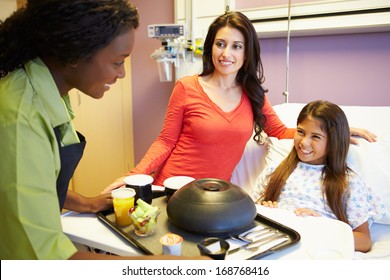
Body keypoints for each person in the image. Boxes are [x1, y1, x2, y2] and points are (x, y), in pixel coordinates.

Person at [0, 0, 208, 260]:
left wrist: (85, 202)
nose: (121, 74)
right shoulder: (21, 118)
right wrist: (170, 266)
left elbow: (39, 181)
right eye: (118, 62)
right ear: (75, 54)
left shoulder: (45, 92)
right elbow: (46, 259)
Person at [104, 11, 376, 190]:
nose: (226, 54)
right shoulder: (187, 87)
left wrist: (335, 130)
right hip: (172, 186)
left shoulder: (252, 94)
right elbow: (165, 141)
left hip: (214, 194)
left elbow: (280, 131)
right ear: (210, 46)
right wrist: (133, 176)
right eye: (221, 44)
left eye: (236, 46)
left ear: (247, 53)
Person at [252, 100, 385, 253]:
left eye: (316, 137)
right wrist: (265, 212)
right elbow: (246, 219)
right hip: (275, 246)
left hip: (315, 248)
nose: (304, 142)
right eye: (301, 132)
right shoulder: (274, 170)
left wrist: (322, 228)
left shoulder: (349, 182)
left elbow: (364, 241)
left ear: (333, 141)